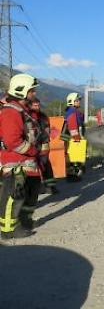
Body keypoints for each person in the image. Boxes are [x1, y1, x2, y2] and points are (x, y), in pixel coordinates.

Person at [0, 74, 41, 239]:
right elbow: (13, 141)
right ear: (22, 91)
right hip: (15, 162)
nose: (34, 94)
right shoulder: (11, 112)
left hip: (25, 162)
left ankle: (22, 222)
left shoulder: (22, 110)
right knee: (13, 196)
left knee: (26, 194)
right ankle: (8, 229)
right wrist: (32, 151)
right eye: (32, 91)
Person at [28, 97, 58, 195]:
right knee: (32, 167)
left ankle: (50, 186)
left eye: (38, 105)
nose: (37, 107)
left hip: (43, 144)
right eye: (35, 105)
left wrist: (47, 139)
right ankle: (36, 187)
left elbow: (47, 130)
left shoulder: (43, 117)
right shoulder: (27, 116)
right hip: (31, 145)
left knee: (46, 165)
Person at [62, 92, 85, 181]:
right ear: (72, 101)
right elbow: (73, 127)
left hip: (71, 137)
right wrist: (77, 138)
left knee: (73, 157)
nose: (79, 102)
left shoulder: (72, 111)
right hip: (72, 138)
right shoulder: (72, 112)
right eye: (77, 100)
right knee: (74, 158)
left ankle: (74, 173)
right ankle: (73, 176)